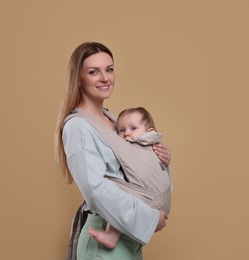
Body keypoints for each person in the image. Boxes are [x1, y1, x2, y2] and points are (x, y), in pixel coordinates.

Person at [54, 42, 171, 260]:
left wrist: (161, 159)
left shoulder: (114, 120)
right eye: (93, 72)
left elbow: (133, 174)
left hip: (128, 240)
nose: (105, 78)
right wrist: (149, 218)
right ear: (78, 79)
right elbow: (95, 188)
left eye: (109, 69)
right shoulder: (78, 126)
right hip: (104, 240)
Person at [87, 106, 172, 249]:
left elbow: (110, 138)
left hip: (151, 199)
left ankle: (112, 235)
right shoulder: (152, 144)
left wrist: (85, 117)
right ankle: (114, 235)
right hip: (163, 199)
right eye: (121, 130)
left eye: (133, 128)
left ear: (149, 131)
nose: (126, 134)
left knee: (114, 189)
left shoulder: (138, 145)